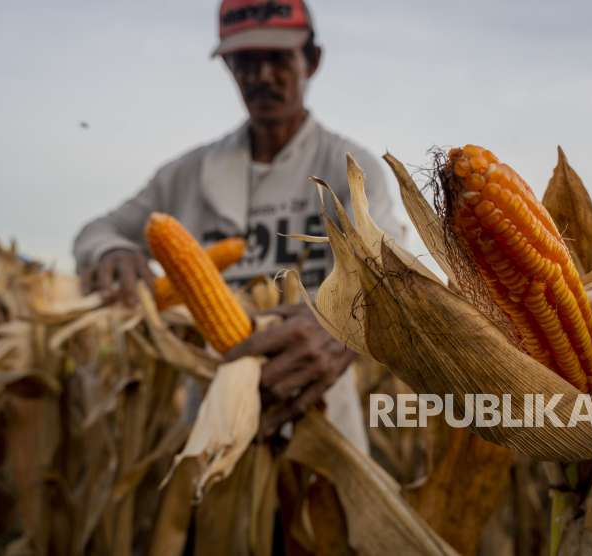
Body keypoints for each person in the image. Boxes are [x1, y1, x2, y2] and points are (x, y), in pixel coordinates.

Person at [73, 0, 403, 449]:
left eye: (278, 58)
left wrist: (340, 331)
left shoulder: (349, 167)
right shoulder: (185, 174)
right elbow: (96, 231)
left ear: (312, 60)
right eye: (246, 60)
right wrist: (113, 251)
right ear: (228, 65)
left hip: (321, 420)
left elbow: (392, 272)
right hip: (213, 417)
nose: (261, 75)